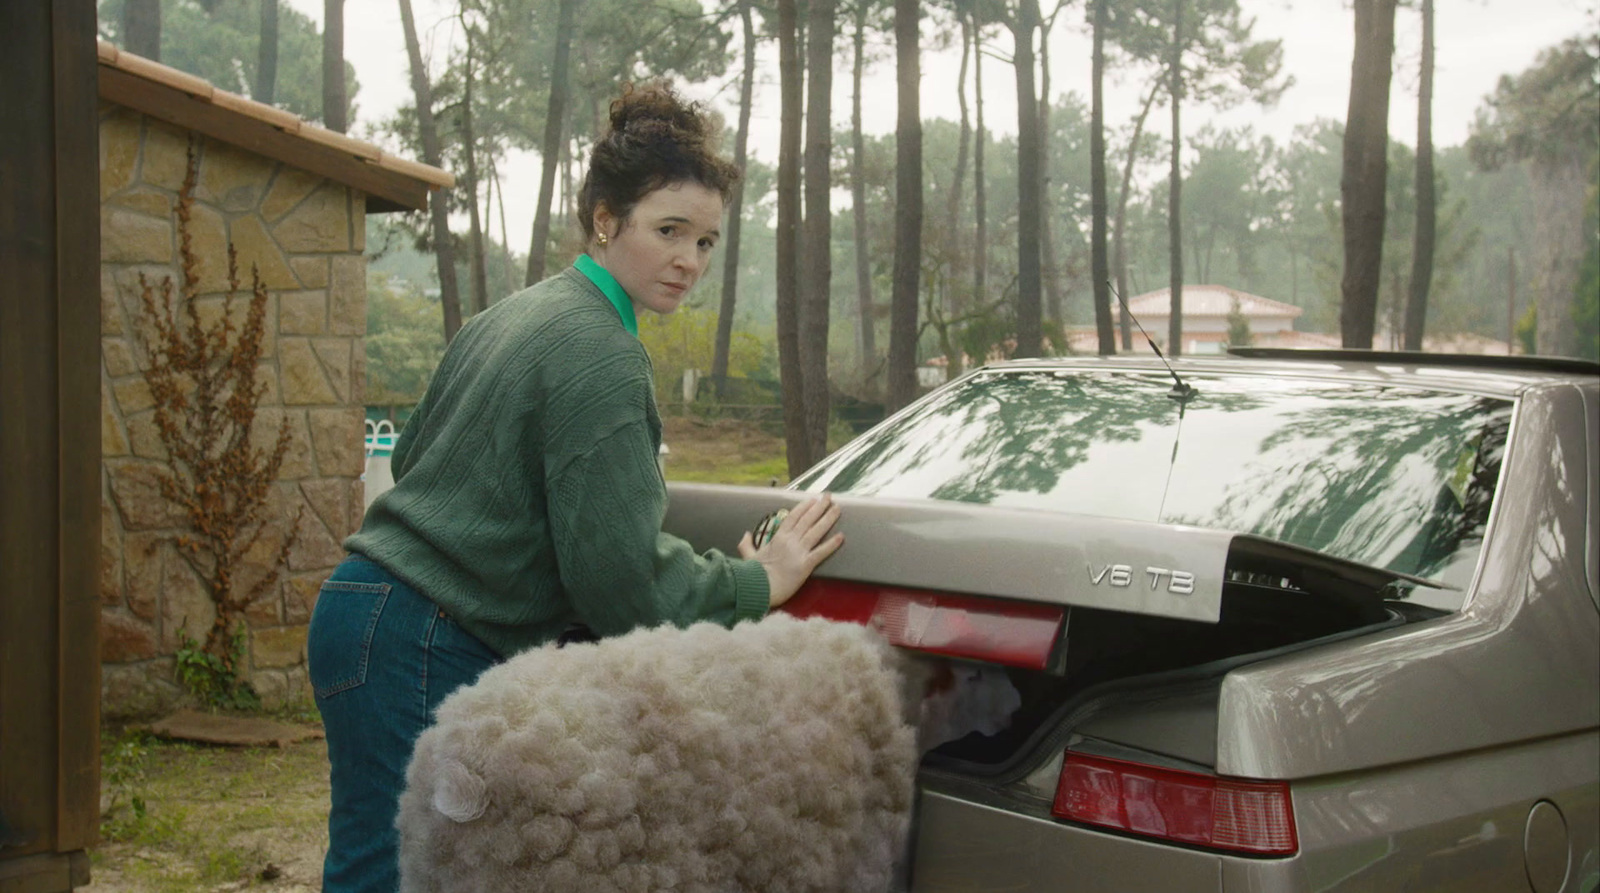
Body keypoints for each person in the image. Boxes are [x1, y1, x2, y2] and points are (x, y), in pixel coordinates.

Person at [307, 81, 845, 893]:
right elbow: (619, 576)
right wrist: (753, 581)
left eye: (705, 242)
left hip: (361, 614)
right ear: (605, 218)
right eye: (669, 231)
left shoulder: (511, 316)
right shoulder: (601, 350)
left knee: (381, 865)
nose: (689, 261)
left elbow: (417, 458)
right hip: (421, 638)